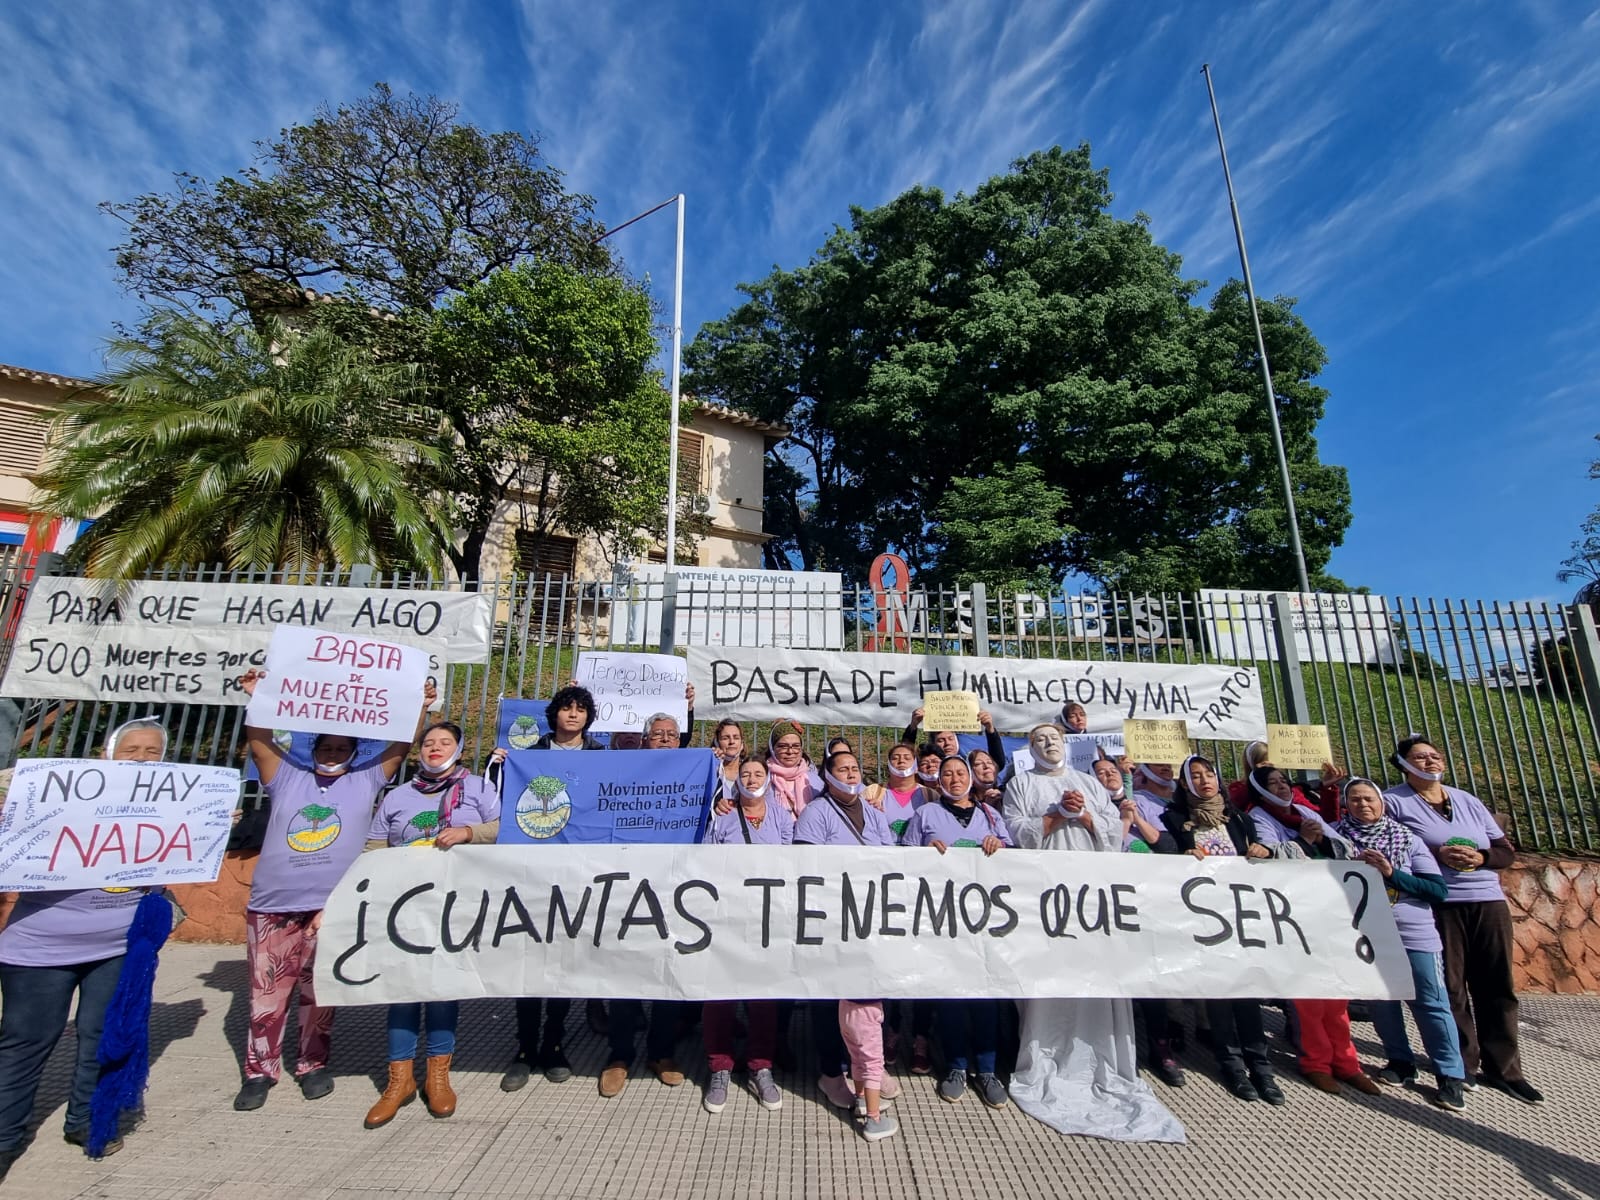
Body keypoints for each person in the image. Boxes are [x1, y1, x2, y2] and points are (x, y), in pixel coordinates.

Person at [231, 669, 433, 1112]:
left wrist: (420, 707)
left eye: (342, 748)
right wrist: (259, 698)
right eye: (326, 747)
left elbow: (400, 745)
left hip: (332, 903)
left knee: (319, 991)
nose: (334, 753)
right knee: (267, 993)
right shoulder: (287, 776)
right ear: (314, 749)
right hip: (274, 903)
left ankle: (312, 1065)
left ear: (355, 753)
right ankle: (259, 1071)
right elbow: (261, 740)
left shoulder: (365, 780)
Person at [0, 718, 170, 1174]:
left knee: (104, 1037)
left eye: (152, 751)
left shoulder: (172, 808)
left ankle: (86, 1121)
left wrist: (209, 826)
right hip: (38, 948)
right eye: (131, 749)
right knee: (24, 1043)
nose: (141, 758)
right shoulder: (50, 796)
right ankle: (4, 1137)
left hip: (118, 947)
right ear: (105, 756)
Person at [1002, 727, 1184, 1142]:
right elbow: (1016, 828)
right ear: (1030, 749)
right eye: (1040, 740)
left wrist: (1083, 815)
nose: (1049, 744)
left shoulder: (1088, 782)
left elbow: (1111, 831)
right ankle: (1046, 1055)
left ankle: (1101, 1059)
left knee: (1095, 978)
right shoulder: (1021, 784)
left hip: (1091, 900)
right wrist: (1055, 816)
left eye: (1054, 738)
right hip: (1045, 897)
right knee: (1046, 979)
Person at [1383, 734, 1542, 1103]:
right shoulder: (1394, 802)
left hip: (1487, 900)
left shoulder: (1467, 800)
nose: (1430, 762)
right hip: (1439, 903)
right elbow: (1388, 843)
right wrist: (1438, 852)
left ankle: (1505, 1069)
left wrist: (1481, 859)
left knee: (1496, 985)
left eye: (1434, 756)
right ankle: (1462, 1063)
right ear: (1403, 764)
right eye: (1420, 757)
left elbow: (1504, 851)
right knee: (1451, 985)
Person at [361, 721, 500, 1128]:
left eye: (446, 743)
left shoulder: (477, 789)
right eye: (429, 743)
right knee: (402, 990)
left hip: (455, 903)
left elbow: (505, 829)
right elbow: (374, 845)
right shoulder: (398, 796)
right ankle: (398, 1080)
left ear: (459, 749)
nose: (436, 748)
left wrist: (468, 832)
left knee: (441, 988)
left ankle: (437, 1077)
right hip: (403, 907)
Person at [490, 687, 604, 1091]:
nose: (573, 715)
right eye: (566, 708)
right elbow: (500, 805)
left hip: (577, 872)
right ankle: (524, 1048)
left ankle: (554, 1042)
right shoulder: (529, 755)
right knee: (530, 958)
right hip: (533, 871)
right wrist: (499, 767)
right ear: (554, 715)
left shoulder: (600, 758)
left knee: (562, 961)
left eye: (581, 709)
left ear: (589, 718)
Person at [1335, 778, 1468, 1111]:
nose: (1362, 805)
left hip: (1414, 932)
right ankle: (1399, 1061)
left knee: (1430, 1000)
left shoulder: (1408, 840)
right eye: (1354, 800)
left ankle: (1450, 1074)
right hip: (1367, 933)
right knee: (1382, 1000)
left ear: (1382, 804)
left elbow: (1436, 890)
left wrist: (1391, 872)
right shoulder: (1338, 838)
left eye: (1369, 799)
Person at [1159, 755, 1285, 1106]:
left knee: (1247, 994)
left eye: (1209, 774)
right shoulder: (1174, 819)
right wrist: (1182, 855)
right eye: (1195, 777)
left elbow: (1259, 859)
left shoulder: (1240, 820)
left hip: (1242, 918)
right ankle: (1230, 1064)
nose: (1204, 781)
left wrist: (1263, 850)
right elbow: (1164, 857)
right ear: (1184, 785)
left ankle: (1261, 1066)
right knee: (1217, 996)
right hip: (1204, 921)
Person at [794, 750, 899, 1141]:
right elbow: (807, 863)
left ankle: (867, 1070)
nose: (851, 774)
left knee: (865, 999)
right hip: (831, 918)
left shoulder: (874, 813)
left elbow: (890, 856)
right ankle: (830, 1070)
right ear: (827, 775)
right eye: (843, 770)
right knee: (829, 998)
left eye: (855, 769)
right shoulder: (816, 813)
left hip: (868, 915)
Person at [900, 756, 1011, 1107]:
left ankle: (989, 1069)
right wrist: (924, 852)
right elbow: (902, 858)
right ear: (938, 780)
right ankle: (956, 1067)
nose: (954, 778)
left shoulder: (991, 816)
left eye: (960, 772)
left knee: (985, 997)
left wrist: (1000, 847)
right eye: (947, 774)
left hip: (984, 919)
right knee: (950, 996)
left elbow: (1017, 858)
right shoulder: (926, 815)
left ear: (971, 777)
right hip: (942, 919)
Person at [600, 712, 692, 1097]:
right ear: (645, 739)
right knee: (625, 972)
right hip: (628, 882)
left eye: (673, 734)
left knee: (667, 974)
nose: (666, 740)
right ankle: (619, 1055)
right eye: (659, 734)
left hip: (673, 884)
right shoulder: (625, 769)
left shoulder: (692, 768)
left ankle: (661, 1053)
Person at [700, 755, 792, 1114]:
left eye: (759, 773)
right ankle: (720, 1067)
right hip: (727, 914)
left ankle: (760, 1066)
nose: (752, 778)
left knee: (762, 996)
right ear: (735, 780)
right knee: (720, 994)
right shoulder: (722, 814)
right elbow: (708, 859)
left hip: (766, 915)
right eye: (746, 773)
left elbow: (790, 860)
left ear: (769, 779)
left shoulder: (782, 814)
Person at [1228, 740, 1344, 823]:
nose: (1270, 770)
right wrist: (1257, 779)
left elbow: (1327, 820)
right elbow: (1235, 805)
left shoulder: (1292, 792)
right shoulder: (1239, 790)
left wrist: (1327, 789)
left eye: (1274, 766)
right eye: (1265, 765)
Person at [866, 743, 936, 840]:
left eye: (907, 758)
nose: (901, 761)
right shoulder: (872, 791)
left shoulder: (931, 795)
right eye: (895, 758)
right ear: (888, 766)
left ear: (916, 768)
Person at [900, 706, 1006, 766]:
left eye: (950, 738)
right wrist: (913, 726)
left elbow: (997, 764)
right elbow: (904, 756)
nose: (947, 744)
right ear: (933, 744)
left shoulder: (969, 765)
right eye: (941, 740)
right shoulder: (927, 766)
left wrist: (990, 729)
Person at [766, 720, 820, 816]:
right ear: (772, 749)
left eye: (796, 746)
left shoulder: (814, 780)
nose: (790, 751)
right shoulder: (763, 778)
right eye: (783, 746)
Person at [712, 718, 746, 799]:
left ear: (742, 743)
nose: (731, 742)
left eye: (736, 737)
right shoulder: (711, 771)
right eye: (725, 738)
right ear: (717, 742)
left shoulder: (750, 770)